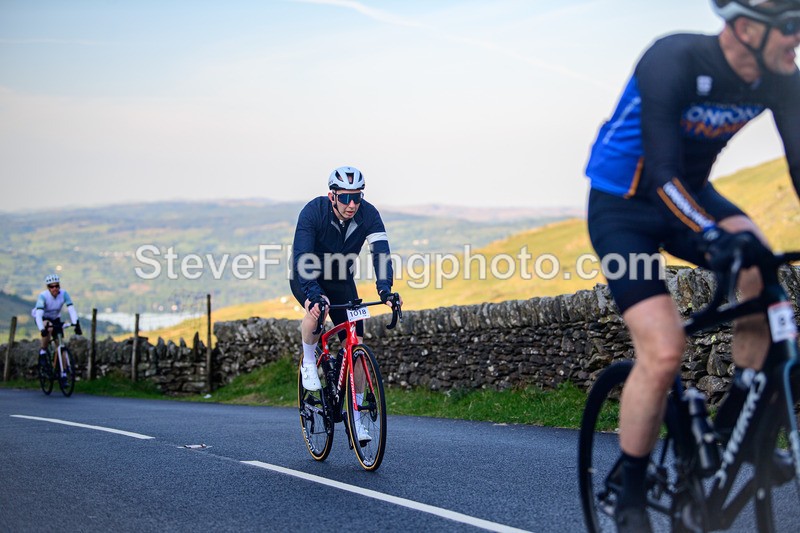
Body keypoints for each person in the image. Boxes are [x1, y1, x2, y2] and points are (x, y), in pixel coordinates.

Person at [584, 1, 800, 530]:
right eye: (790, 28)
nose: (796, 41)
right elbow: (659, 169)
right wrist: (708, 234)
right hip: (623, 207)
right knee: (663, 349)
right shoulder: (673, 58)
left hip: (693, 196)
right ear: (746, 28)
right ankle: (631, 490)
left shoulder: (781, 76)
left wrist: (717, 230)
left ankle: (736, 429)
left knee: (761, 264)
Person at [290, 166, 402, 442]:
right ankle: (308, 360)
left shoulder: (368, 214)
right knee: (316, 312)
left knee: (357, 343)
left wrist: (385, 289)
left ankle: (357, 414)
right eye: (345, 198)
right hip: (308, 276)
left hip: (341, 280)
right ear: (332, 196)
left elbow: (381, 254)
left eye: (357, 197)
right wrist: (314, 294)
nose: (352, 204)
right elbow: (302, 256)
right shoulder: (313, 212)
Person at [33, 274, 83, 371]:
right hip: (43, 317)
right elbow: (38, 315)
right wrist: (42, 329)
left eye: (57, 286)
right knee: (49, 327)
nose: (55, 288)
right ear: (48, 288)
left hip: (55, 318)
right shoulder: (43, 296)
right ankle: (43, 351)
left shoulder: (64, 294)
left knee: (60, 345)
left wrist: (76, 323)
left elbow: (71, 309)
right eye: (52, 286)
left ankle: (64, 373)